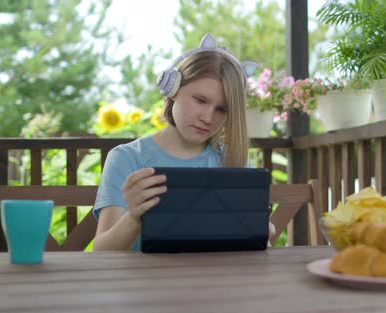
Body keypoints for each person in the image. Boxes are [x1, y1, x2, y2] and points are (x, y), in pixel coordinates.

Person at [93, 33, 274, 251]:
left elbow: (256, 248)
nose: (207, 117)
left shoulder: (233, 160)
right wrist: (133, 218)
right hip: (143, 283)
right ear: (172, 89)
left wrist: (263, 231)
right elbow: (102, 251)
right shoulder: (127, 158)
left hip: (217, 282)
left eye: (222, 109)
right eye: (200, 100)